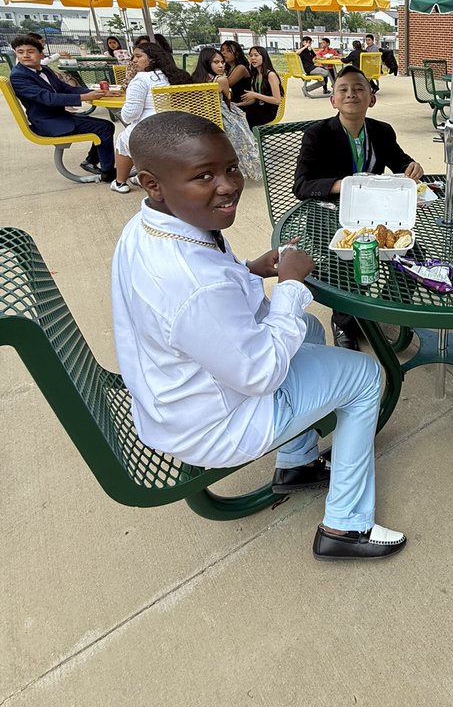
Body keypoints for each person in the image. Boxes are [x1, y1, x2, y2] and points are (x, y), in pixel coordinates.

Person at [112, 113, 405, 561]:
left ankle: (298, 462)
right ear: (152, 183)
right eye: (203, 176)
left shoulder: (156, 224)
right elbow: (260, 374)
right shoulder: (191, 281)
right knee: (364, 375)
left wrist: (249, 269)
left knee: (305, 328)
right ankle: (345, 527)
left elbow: (208, 296)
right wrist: (290, 285)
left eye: (231, 168)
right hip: (212, 422)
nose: (228, 185)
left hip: (174, 389)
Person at [293, 65, 423, 350]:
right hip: (330, 212)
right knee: (349, 255)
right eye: (343, 89)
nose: (351, 94)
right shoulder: (318, 134)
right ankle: (344, 322)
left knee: (411, 250)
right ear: (334, 100)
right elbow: (301, 185)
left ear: (371, 98)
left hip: (376, 211)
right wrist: (346, 185)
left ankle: (384, 307)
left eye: (359, 88)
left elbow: (399, 161)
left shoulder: (381, 131)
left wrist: (411, 167)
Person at [9, 34, 116, 180]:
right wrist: (83, 98)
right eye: (20, 52)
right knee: (105, 127)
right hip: (48, 122)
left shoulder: (44, 69)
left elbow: (65, 88)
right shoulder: (18, 76)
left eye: (30, 51)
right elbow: (47, 98)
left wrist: (95, 92)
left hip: (57, 116)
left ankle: (91, 162)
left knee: (104, 126)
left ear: (41, 54)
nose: (25, 55)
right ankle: (108, 173)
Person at [109, 41, 172, 193]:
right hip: (174, 127)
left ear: (152, 59)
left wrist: (123, 112)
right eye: (133, 57)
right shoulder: (172, 76)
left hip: (151, 130)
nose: (133, 60)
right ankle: (141, 176)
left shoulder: (141, 79)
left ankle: (120, 183)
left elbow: (131, 114)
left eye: (138, 56)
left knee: (123, 138)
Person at [191, 47, 262, 180]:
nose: (221, 65)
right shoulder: (221, 80)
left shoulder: (194, 79)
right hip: (220, 118)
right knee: (242, 125)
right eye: (216, 62)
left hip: (199, 119)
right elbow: (227, 98)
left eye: (222, 62)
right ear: (207, 62)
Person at [237, 45, 282, 128]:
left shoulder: (270, 75)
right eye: (251, 56)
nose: (253, 58)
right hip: (258, 108)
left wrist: (255, 94)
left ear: (264, 57)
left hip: (268, 112)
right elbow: (253, 100)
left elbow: (277, 100)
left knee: (243, 117)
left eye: (256, 55)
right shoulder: (255, 75)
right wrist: (237, 104)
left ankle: (250, 139)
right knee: (236, 112)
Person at [219, 40, 252, 104]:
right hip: (234, 102)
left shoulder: (241, 68)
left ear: (237, 54)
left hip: (243, 104)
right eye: (222, 50)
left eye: (228, 50)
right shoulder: (229, 68)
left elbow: (226, 84)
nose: (223, 53)